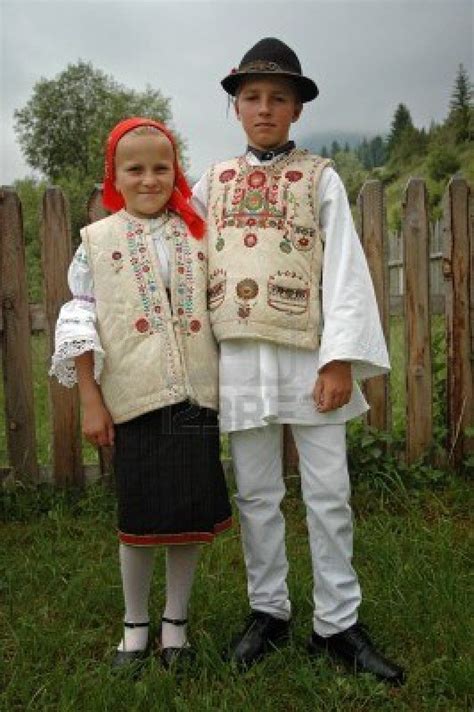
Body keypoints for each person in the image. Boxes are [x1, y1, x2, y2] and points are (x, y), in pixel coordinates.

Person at [192, 38, 405, 684]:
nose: (264, 109)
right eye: (252, 98)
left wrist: (339, 361)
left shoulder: (322, 178)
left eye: (277, 98)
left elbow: (344, 271)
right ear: (235, 107)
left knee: (328, 492)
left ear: (296, 110)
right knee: (256, 491)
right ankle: (270, 611)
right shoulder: (214, 182)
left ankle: (337, 621)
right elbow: (186, 254)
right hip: (241, 363)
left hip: (310, 362)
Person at [50, 117, 232, 672]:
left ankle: (175, 623)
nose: (150, 179)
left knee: (187, 516)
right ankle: (135, 623)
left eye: (161, 167)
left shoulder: (198, 233)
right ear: (115, 176)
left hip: (194, 398)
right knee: (140, 518)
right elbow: (79, 319)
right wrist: (90, 398)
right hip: (133, 399)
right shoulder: (96, 243)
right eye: (136, 168)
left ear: (175, 171)